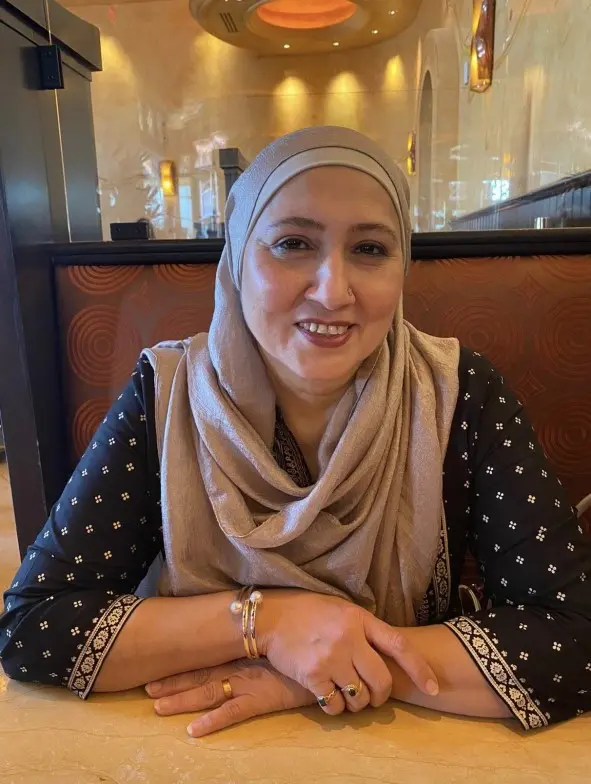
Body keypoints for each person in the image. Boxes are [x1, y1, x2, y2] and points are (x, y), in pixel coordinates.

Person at [1, 127, 590, 738]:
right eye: (291, 243)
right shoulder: (168, 395)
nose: (333, 290)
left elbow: (576, 639)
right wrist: (270, 625)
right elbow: (37, 629)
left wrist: (312, 672)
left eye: (370, 250)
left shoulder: (457, 393)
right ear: (236, 257)